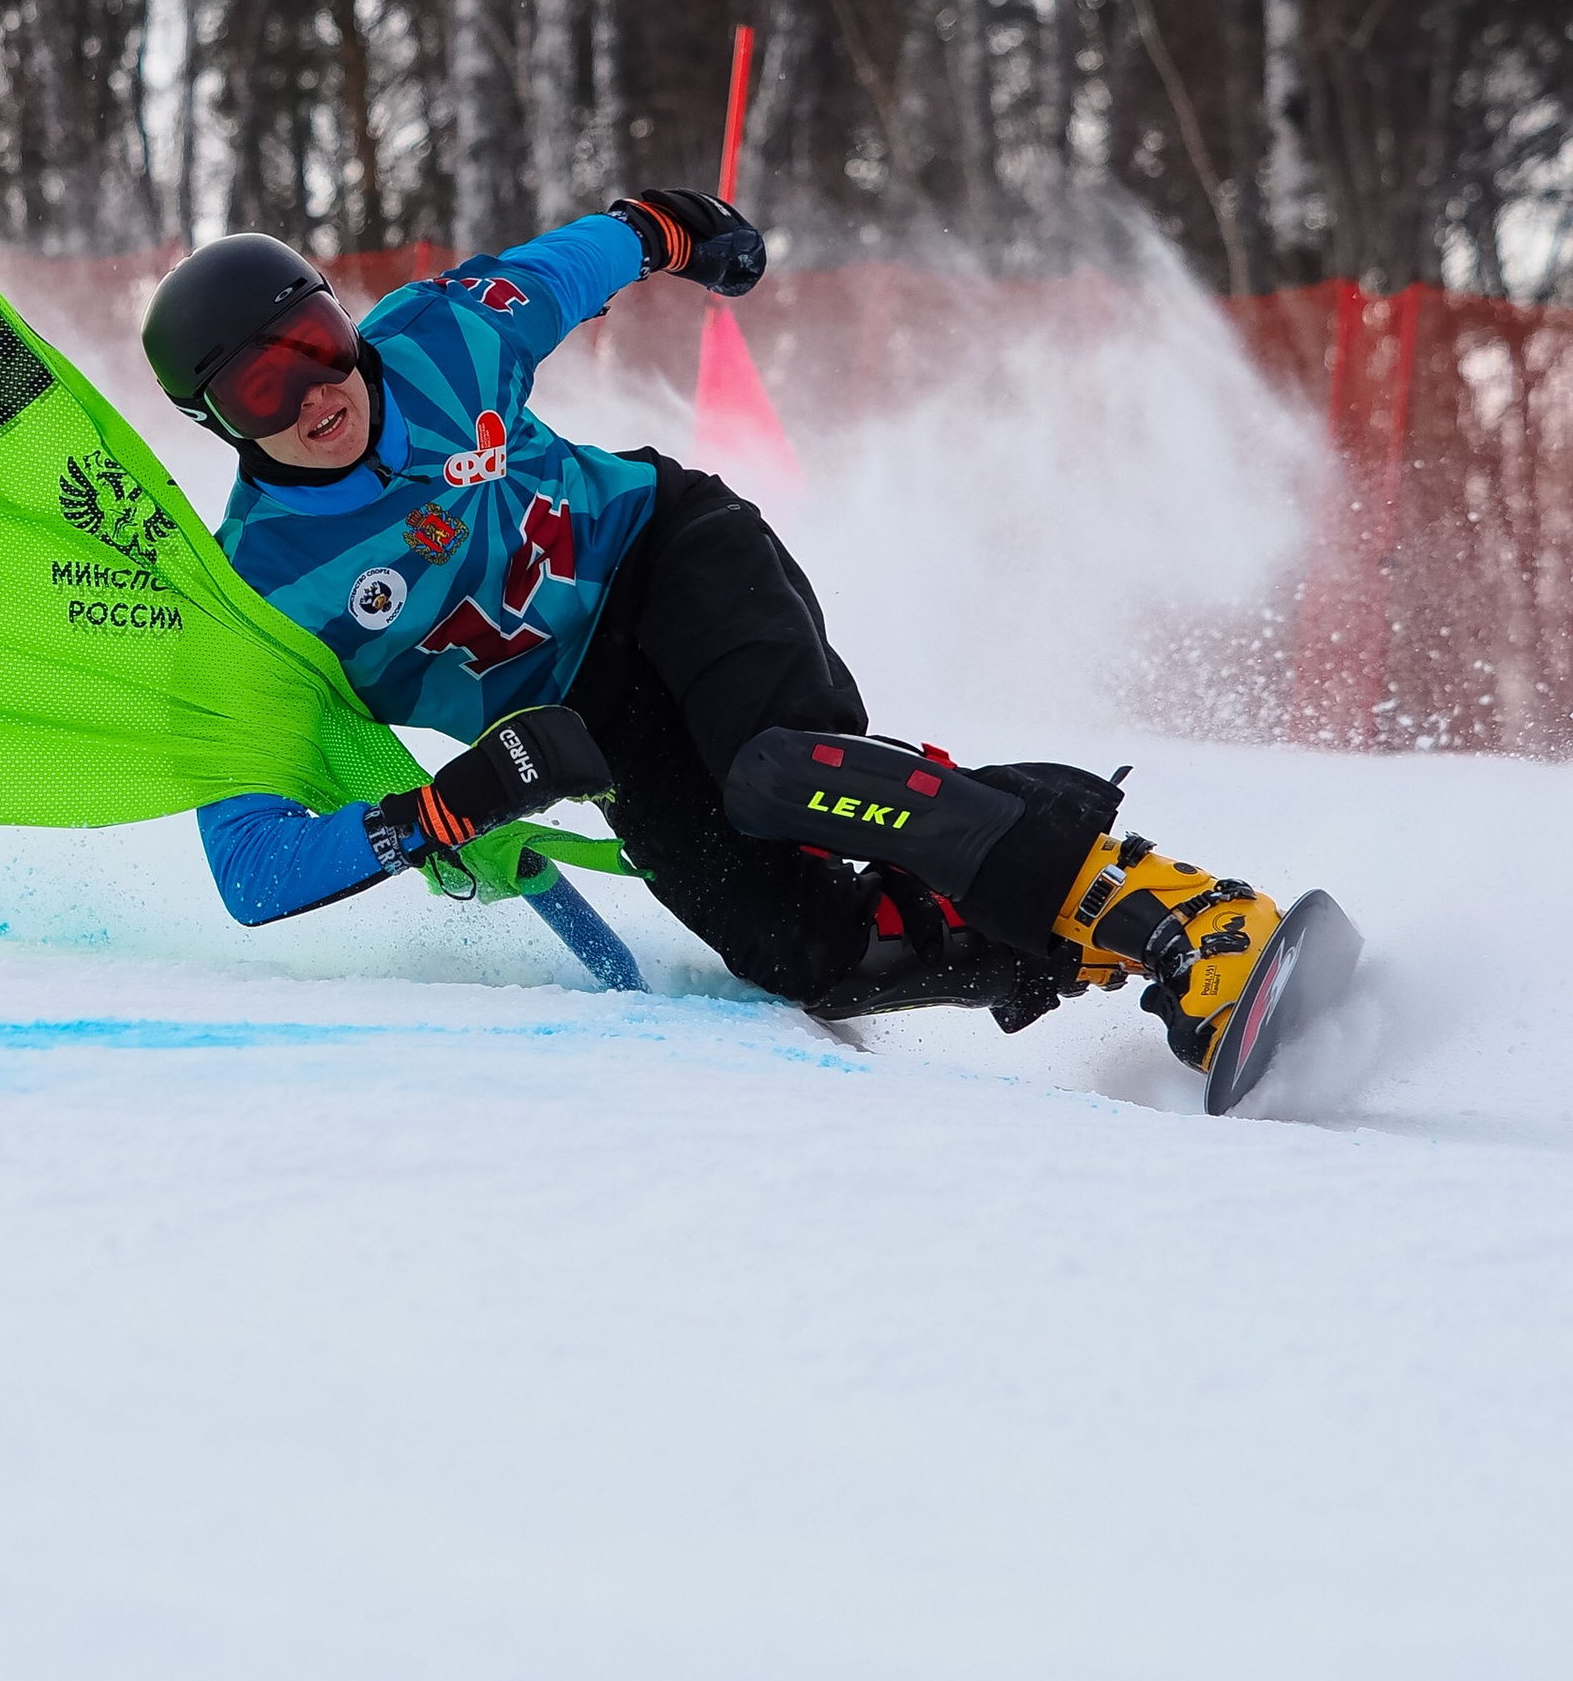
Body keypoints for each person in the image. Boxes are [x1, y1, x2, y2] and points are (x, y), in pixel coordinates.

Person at [141, 196, 1287, 1064]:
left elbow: (575, 263)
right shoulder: (257, 597)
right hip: (589, 720)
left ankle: (1184, 916)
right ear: (215, 422)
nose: (315, 393)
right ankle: (1069, 927)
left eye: (316, 342)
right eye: (262, 389)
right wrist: (444, 810)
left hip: (670, 554)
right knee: (804, 954)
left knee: (778, 773)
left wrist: (671, 230)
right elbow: (250, 868)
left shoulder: (440, 340)